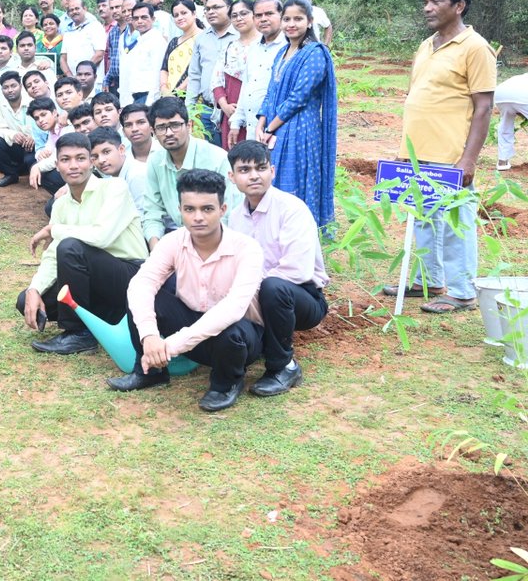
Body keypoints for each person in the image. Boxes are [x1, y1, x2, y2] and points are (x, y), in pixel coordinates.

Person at [381, 0, 496, 314]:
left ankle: (462, 291)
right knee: (423, 217)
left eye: (436, 1)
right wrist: (405, 148)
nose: (427, 7)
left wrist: (469, 159)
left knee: (457, 222)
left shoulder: (475, 48)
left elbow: (484, 107)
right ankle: (428, 280)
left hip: (452, 155)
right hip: (419, 153)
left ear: (458, 6)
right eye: (426, 1)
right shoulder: (426, 44)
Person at [108, 169, 264, 412]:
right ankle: (151, 371)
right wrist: (149, 337)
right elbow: (143, 283)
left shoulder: (247, 249)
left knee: (231, 331)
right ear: (180, 210)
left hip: (240, 335)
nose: (198, 217)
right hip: (193, 321)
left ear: (222, 210)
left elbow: (233, 308)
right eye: (190, 209)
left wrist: (170, 346)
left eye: (207, 209)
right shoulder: (173, 241)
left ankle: (226, 383)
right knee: (140, 292)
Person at [17, 133, 149, 354]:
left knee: (70, 247)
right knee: (27, 300)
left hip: (128, 277)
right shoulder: (61, 205)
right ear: (57, 165)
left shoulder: (115, 188)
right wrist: (34, 289)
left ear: (91, 162)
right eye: (65, 159)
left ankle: (79, 333)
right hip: (93, 283)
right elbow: (52, 256)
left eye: (80, 158)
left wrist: (54, 230)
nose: (73, 165)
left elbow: (101, 237)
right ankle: (100, 320)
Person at [227, 140, 328, 396]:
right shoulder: (236, 217)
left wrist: (246, 289)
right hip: (257, 293)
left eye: (260, 168)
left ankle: (283, 366)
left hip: (302, 297)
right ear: (232, 176)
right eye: (244, 170)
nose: (253, 176)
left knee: (274, 287)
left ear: (272, 171)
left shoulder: (292, 209)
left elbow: (297, 271)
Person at [256, 0, 338, 230]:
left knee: (297, 181)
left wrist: (271, 127)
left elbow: (299, 97)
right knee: (276, 180)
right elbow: (271, 90)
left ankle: (300, 235)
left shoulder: (315, 53)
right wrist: (261, 123)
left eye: (298, 19)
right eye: (287, 19)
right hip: (277, 126)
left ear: (310, 22)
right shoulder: (282, 51)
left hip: (301, 128)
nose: (291, 24)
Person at [141, 97, 239, 249]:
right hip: (177, 241)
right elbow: (152, 213)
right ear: (153, 132)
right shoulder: (155, 161)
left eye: (175, 125)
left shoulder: (217, 158)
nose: (168, 133)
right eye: (161, 128)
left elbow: (227, 215)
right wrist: (156, 251)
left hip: (217, 243)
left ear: (189, 126)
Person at [186, 0, 238, 146]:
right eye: (207, 9)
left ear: (230, 8)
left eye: (217, 7)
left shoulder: (241, 35)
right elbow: (195, 75)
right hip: (207, 111)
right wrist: (189, 109)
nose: (211, 12)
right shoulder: (201, 39)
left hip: (234, 111)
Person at [230, 0, 283, 142]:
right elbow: (246, 86)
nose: (263, 19)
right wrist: (236, 122)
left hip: (276, 128)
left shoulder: (289, 48)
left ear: (281, 15)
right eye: (258, 15)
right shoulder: (253, 48)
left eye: (269, 14)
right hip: (252, 128)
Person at [214, 0, 258, 148]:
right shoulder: (229, 47)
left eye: (244, 13)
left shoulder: (264, 46)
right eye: (234, 15)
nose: (239, 18)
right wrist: (224, 105)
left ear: (254, 15)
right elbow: (217, 81)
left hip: (257, 112)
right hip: (230, 114)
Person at [0, 71, 36, 187]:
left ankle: (31, 170)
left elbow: (43, 126)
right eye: (6, 87)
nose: (10, 90)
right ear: (2, 90)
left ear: (20, 86)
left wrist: (34, 137)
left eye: (13, 86)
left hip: (33, 146)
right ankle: (11, 175)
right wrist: (13, 135)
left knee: (30, 162)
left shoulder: (32, 101)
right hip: (15, 144)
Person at [119, 2, 167, 106]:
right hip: (136, 97)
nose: (139, 21)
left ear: (153, 19)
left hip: (149, 98)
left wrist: (151, 102)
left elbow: (157, 73)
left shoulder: (157, 41)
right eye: (136, 18)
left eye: (144, 17)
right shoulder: (139, 41)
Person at [119, 103, 158, 212]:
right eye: (128, 125)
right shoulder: (122, 157)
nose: (134, 129)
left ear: (151, 126)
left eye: (141, 122)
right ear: (123, 131)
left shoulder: (165, 152)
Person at [159, 0, 199, 97]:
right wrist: (164, 89)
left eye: (184, 13)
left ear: (194, 14)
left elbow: (199, 71)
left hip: (193, 96)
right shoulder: (173, 42)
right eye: (176, 15)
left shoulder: (203, 39)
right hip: (169, 97)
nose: (180, 18)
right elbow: (164, 69)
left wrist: (178, 91)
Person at [27, 97, 66, 194]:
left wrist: (37, 167)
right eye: (36, 118)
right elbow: (47, 152)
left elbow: (58, 157)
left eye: (43, 115)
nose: (40, 120)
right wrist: (42, 155)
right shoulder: (51, 132)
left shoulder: (65, 127)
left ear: (54, 112)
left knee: (42, 171)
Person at [60, 0, 104, 77]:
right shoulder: (68, 31)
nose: (74, 12)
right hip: (73, 82)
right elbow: (63, 59)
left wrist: (83, 74)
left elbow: (99, 54)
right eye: (71, 10)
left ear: (85, 9)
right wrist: (71, 77)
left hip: (92, 79)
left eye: (77, 8)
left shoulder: (95, 26)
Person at [103, 0, 135, 97]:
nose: (115, 10)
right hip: (115, 83)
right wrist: (107, 79)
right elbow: (112, 58)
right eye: (112, 8)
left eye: (118, 7)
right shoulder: (112, 32)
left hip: (132, 81)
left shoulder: (135, 30)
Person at [495, 73, 528, 171]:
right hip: (522, 95)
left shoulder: (521, 77)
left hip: (500, 94)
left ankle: (502, 161)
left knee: (505, 125)